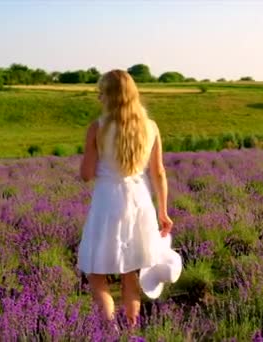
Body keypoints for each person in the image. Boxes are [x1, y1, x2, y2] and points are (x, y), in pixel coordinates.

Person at [77, 69, 173, 329]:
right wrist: (163, 212)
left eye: (101, 92)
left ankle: (109, 329)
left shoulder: (97, 128)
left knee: (96, 272)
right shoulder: (151, 127)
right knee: (131, 272)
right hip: (140, 201)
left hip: (108, 202)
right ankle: (131, 331)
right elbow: (159, 172)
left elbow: (86, 174)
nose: (98, 97)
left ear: (109, 96)